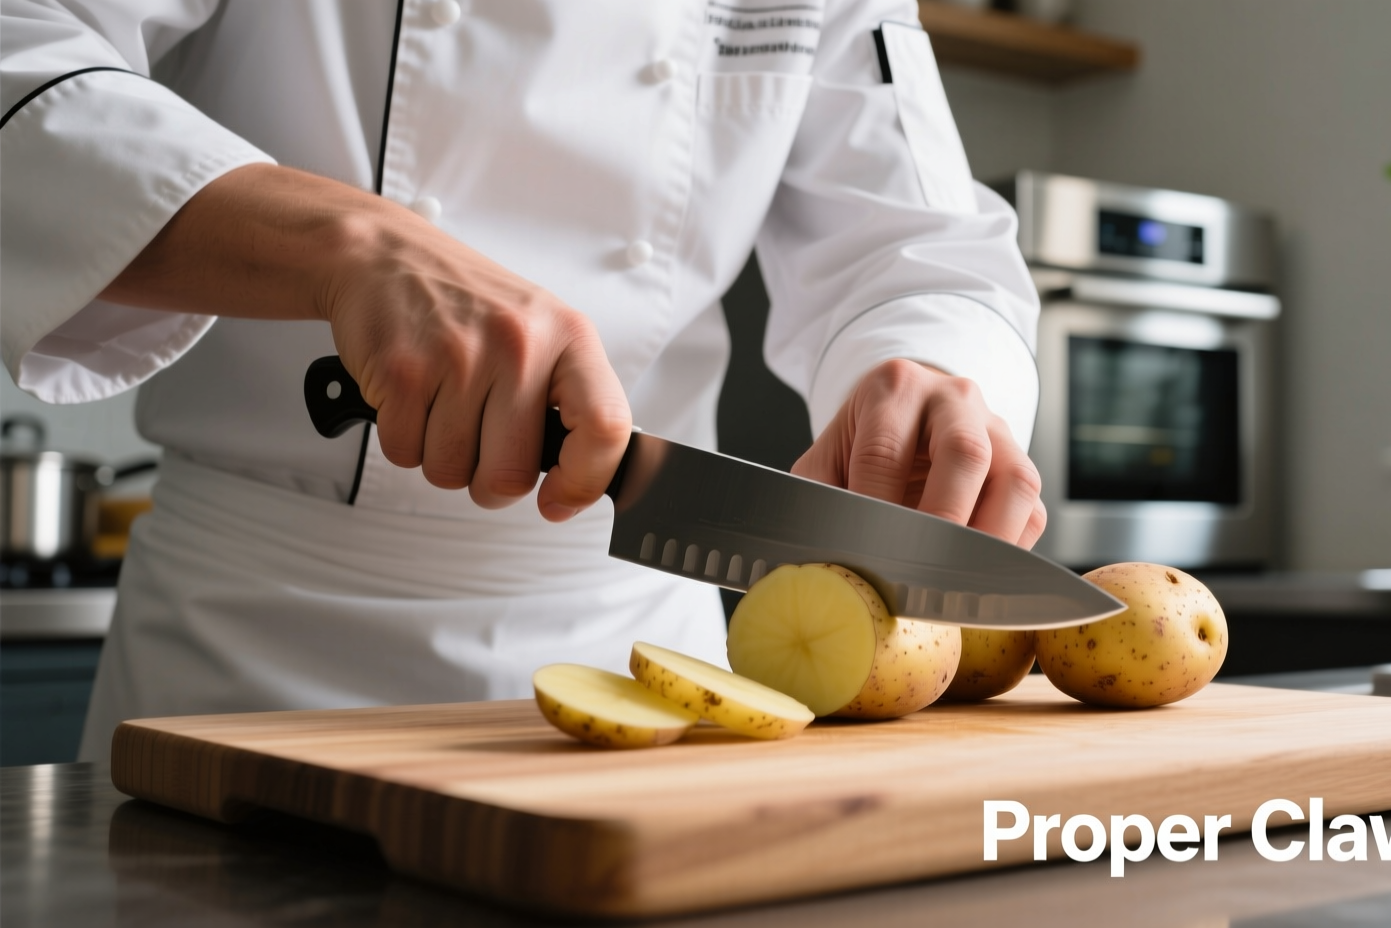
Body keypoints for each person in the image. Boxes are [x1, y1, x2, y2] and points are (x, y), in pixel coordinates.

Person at [0, 1, 1044, 762]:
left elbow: (918, 243)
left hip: (643, 656)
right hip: (251, 649)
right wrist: (348, 242)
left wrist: (933, 368)